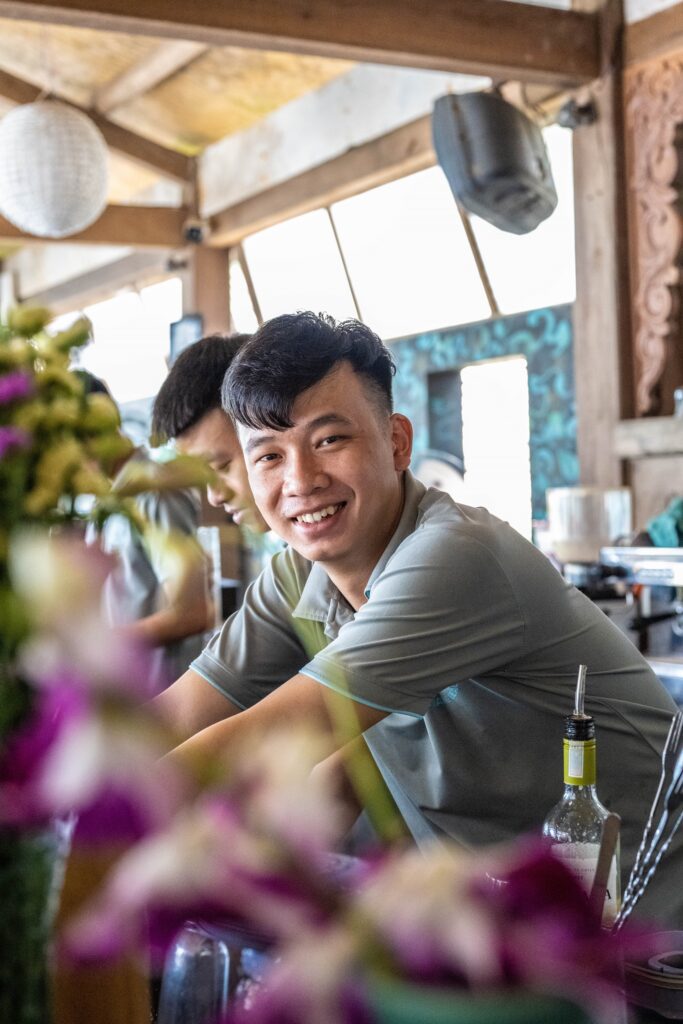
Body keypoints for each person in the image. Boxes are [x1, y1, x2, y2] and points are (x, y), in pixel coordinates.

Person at [155, 312, 682, 921]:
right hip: (516, 932)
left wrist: (91, 830)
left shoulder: (454, 558)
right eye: (268, 456)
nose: (300, 480)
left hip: (651, 926)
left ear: (398, 442)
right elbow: (179, 717)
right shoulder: (298, 576)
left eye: (329, 440)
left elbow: (269, 730)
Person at [83, 371, 212, 691]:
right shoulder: (109, 499)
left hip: (169, 691)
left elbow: (193, 613)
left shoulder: (154, 491)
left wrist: (99, 645)